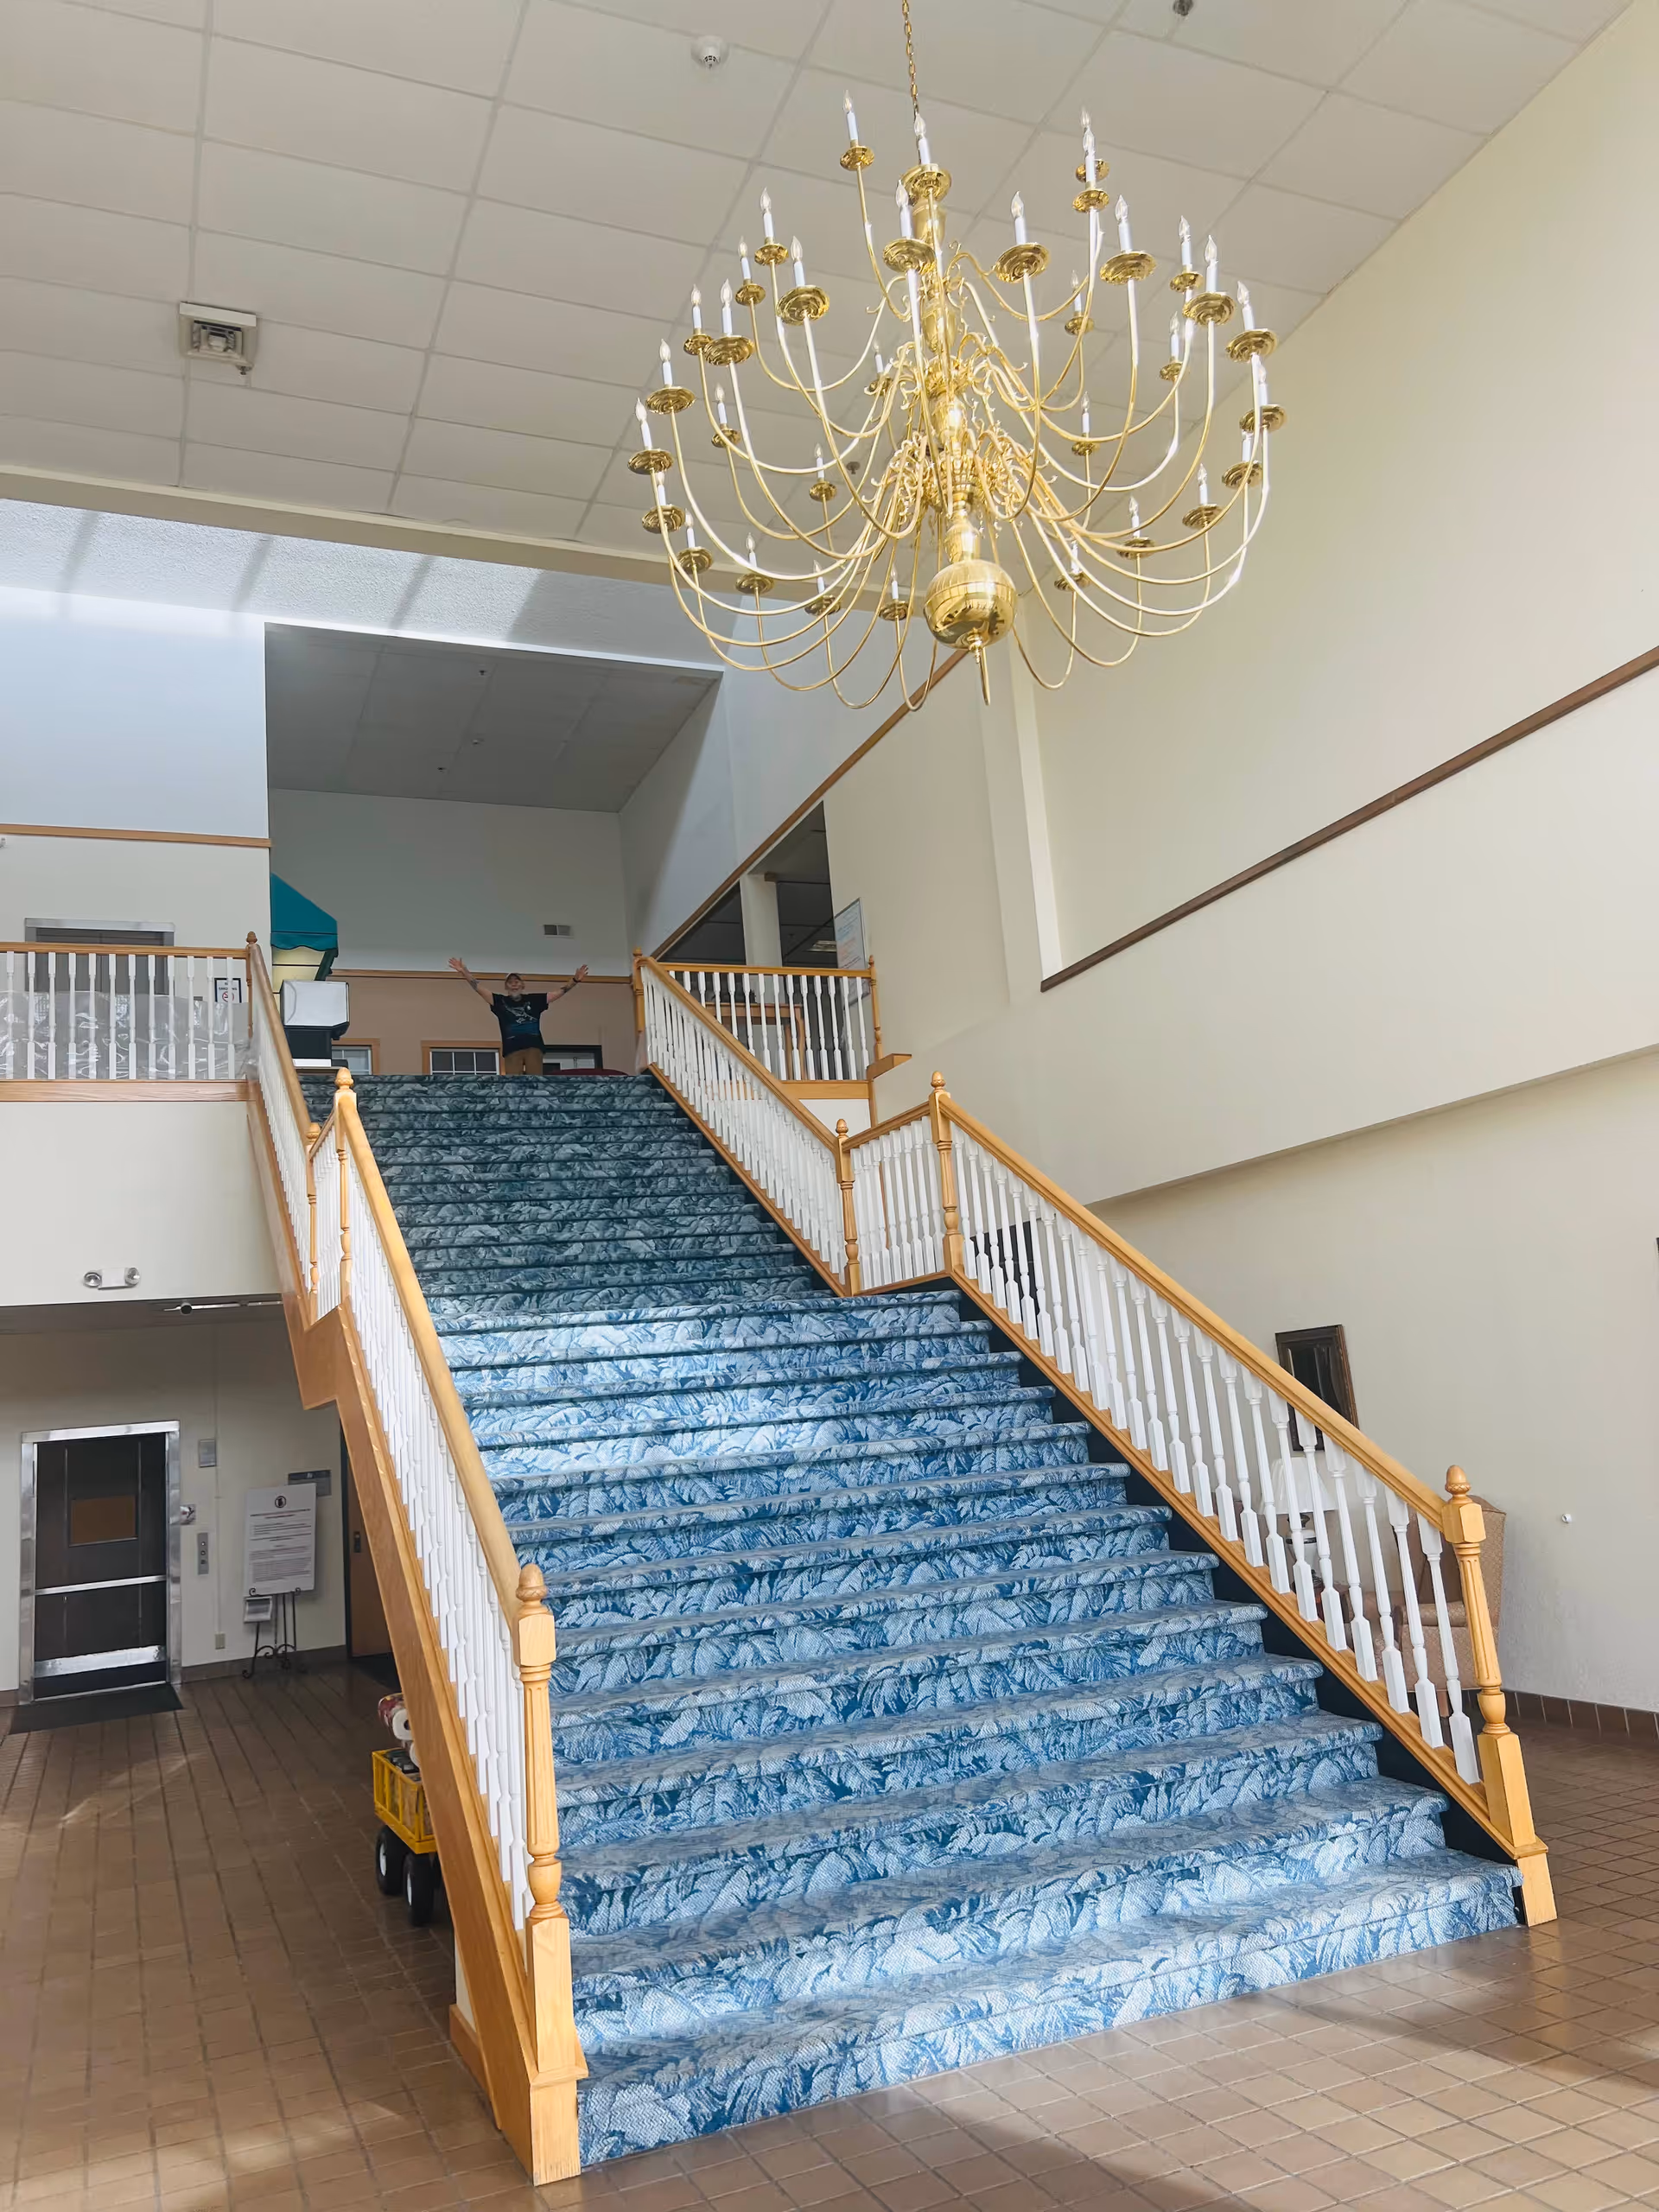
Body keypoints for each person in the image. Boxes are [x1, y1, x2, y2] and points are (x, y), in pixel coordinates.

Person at [447, 957, 589, 1076]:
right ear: (506, 986)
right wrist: (464, 972)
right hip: (512, 1049)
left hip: (534, 1047)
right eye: (510, 982)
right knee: (513, 1086)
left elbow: (559, 992)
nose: (514, 984)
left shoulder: (535, 1000)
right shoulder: (500, 1001)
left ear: (522, 985)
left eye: (517, 982)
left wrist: (575, 981)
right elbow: (478, 988)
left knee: (535, 1084)